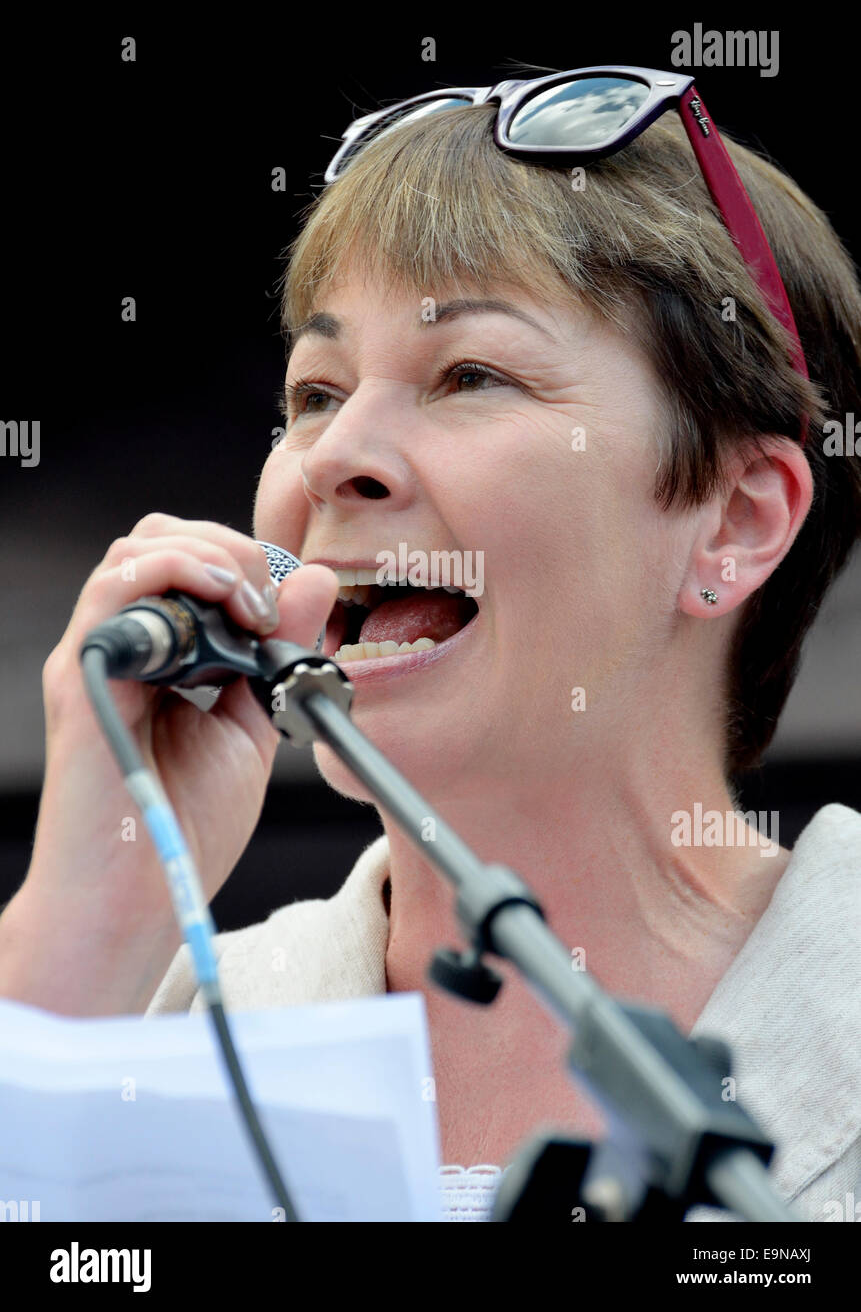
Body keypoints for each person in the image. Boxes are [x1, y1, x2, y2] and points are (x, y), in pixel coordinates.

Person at [1, 68, 859, 1223]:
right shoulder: (148, 1028)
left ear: (736, 517)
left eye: (469, 375)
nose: (331, 456)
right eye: (315, 391)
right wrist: (80, 936)